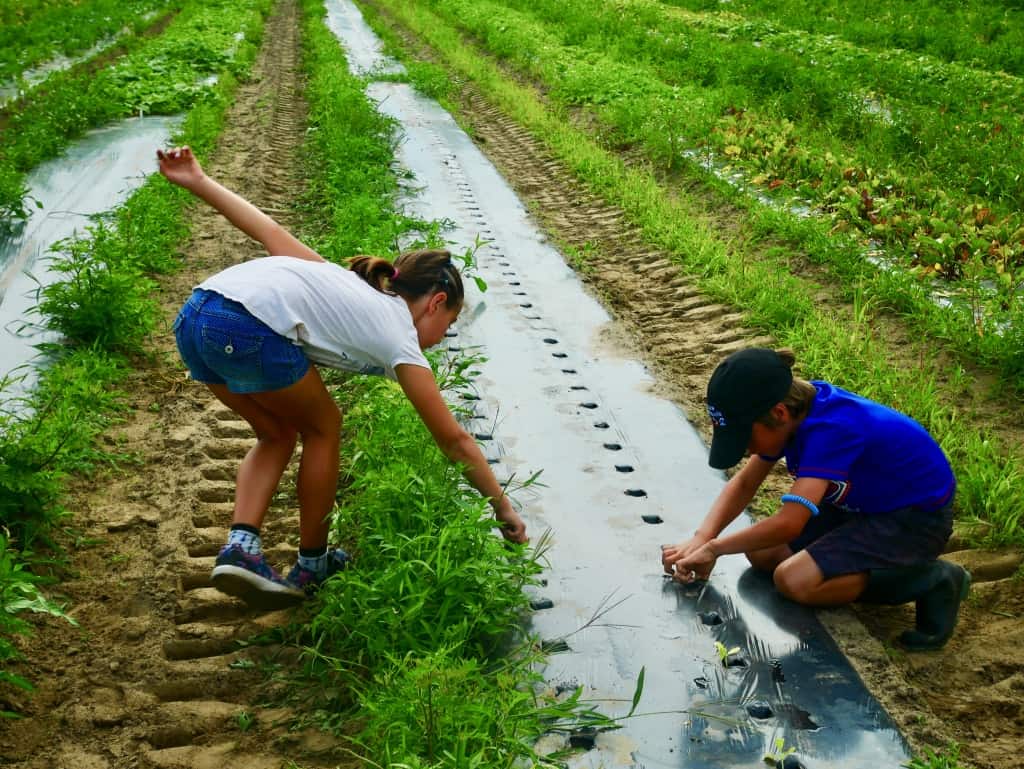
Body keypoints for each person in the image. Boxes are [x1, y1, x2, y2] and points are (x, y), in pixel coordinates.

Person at [158, 146, 527, 610]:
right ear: (435, 303)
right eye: (448, 325)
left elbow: (270, 232)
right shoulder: (399, 335)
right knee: (324, 427)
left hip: (196, 317)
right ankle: (313, 562)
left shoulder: (341, 280)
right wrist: (502, 506)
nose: (443, 337)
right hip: (244, 323)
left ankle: (241, 548)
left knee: (276, 434)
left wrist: (198, 180)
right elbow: (454, 441)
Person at [661, 347, 969, 650]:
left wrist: (715, 549)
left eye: (747, 439)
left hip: (914, 520)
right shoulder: (791, 413)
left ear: (778, 413)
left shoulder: (832, 430)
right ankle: (847, 567)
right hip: (861, 505)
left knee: (794, 580)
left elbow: (790, 524)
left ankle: (933, 579)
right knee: (762, 552)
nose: (748, 450)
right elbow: (744, 484)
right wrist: (702, 538)